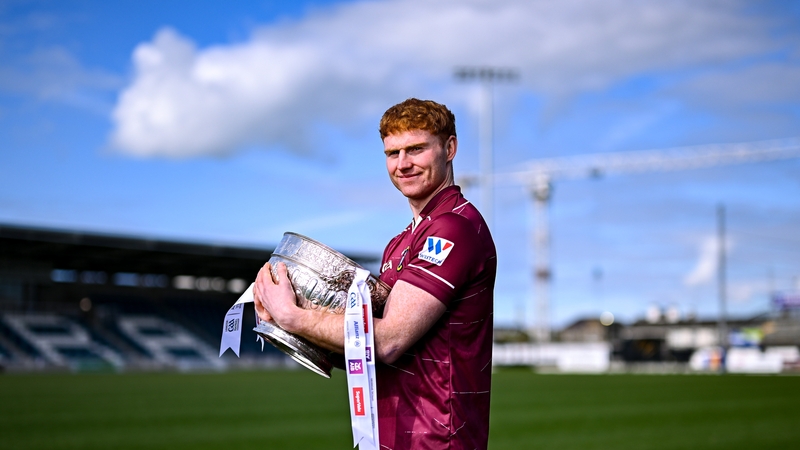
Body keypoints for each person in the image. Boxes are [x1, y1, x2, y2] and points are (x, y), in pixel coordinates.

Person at [254, 98, 497, 450]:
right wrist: (281, 321)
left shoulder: (453, 228)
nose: (403, 164)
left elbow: (387, 341)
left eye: (416, 149)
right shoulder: (400, 242)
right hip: (392, 435)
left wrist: (294, 316)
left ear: (450, 148)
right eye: (392, 153)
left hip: (437, 440)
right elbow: (362, 348)